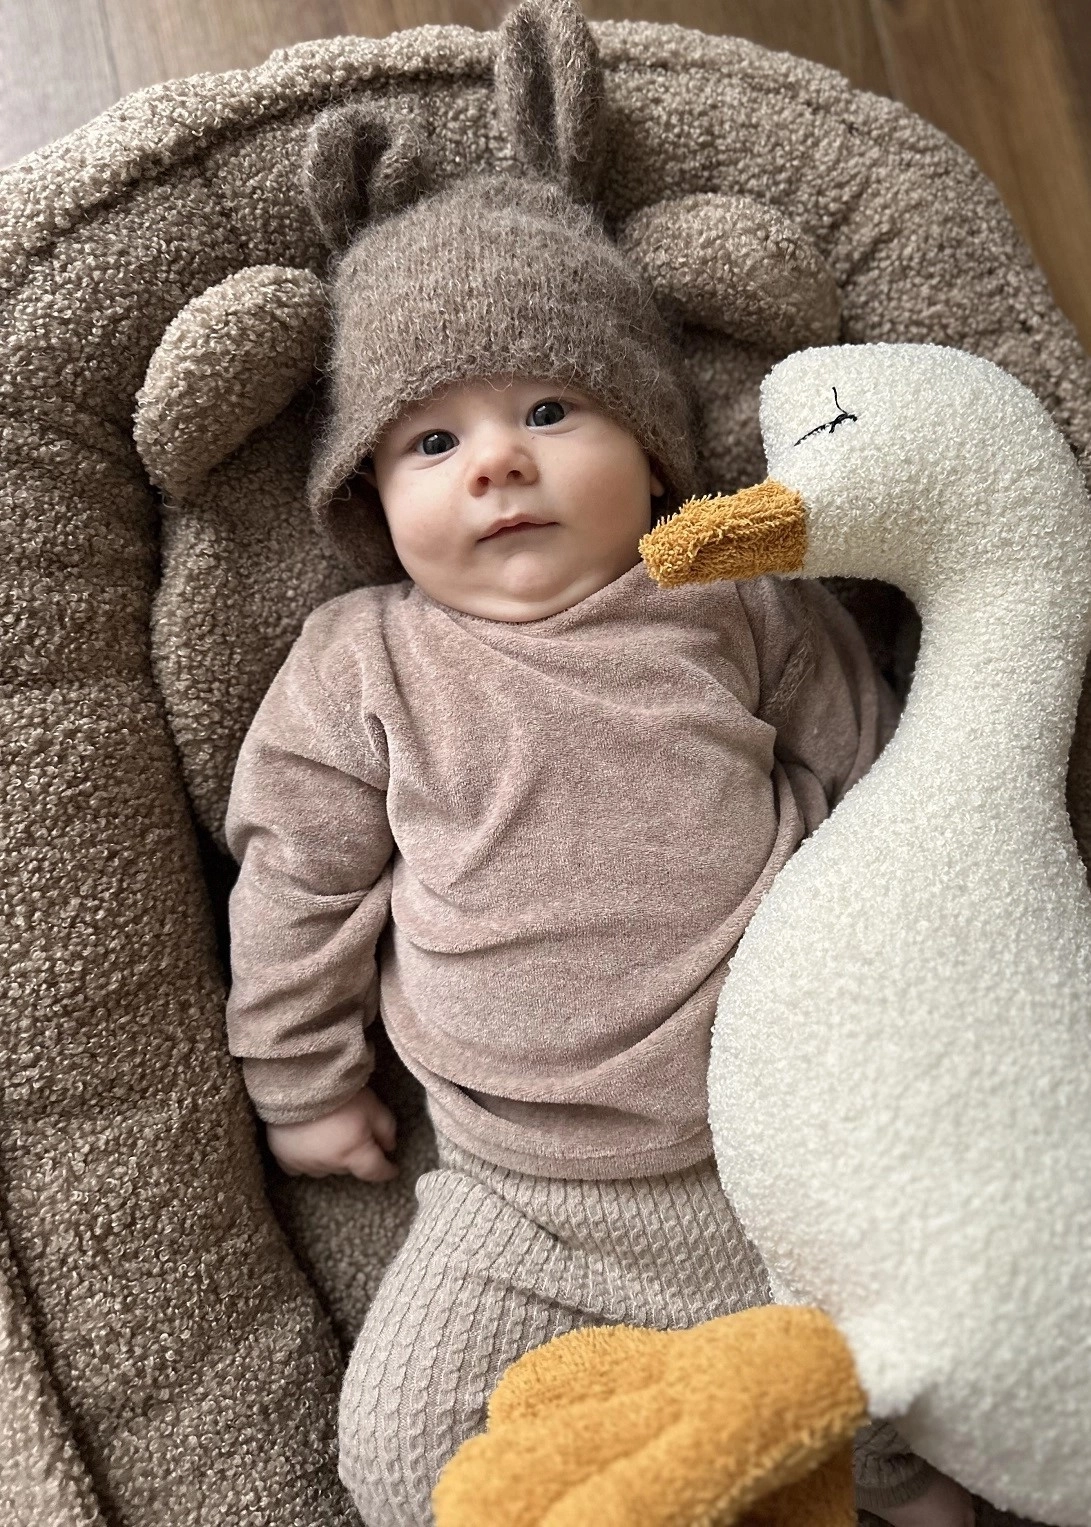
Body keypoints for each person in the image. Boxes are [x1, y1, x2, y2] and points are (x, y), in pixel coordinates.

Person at [221, 28, 978, 1527]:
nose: (496, 463)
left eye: (551, 412)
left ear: (653, 451)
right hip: (522, 1202)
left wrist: (925, 993)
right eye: (432, 439)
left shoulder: (727, 599)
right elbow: (296, 883)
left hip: (786, 1140)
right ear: (369, 496)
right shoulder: (363, 664)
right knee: (407, 1465)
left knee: (936, 1428)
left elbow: (879, 786)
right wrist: (301, 1082)